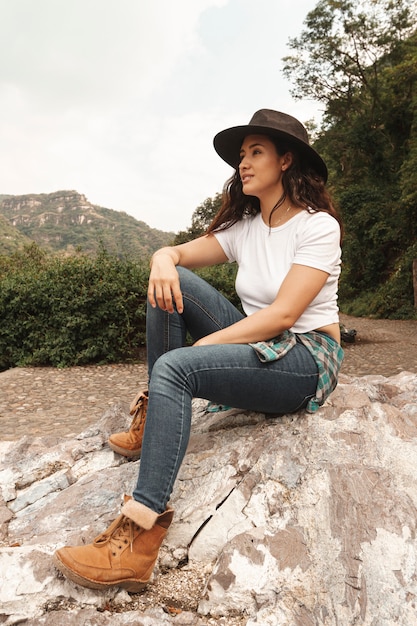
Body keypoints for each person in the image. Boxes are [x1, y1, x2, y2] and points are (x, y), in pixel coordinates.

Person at [54, 109, 344, 591]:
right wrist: (161, 257)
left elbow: (283, 316)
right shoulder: (247, 225)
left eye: (256, 152)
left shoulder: (318, 228)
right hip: (259, 340)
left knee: (176, 369)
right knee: (172, 285)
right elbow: (180, 256)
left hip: (307, 359)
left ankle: (138, 538)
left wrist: (203, 347)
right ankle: (154, 424)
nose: (243, 164)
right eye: (241, 155)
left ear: (286, 160)